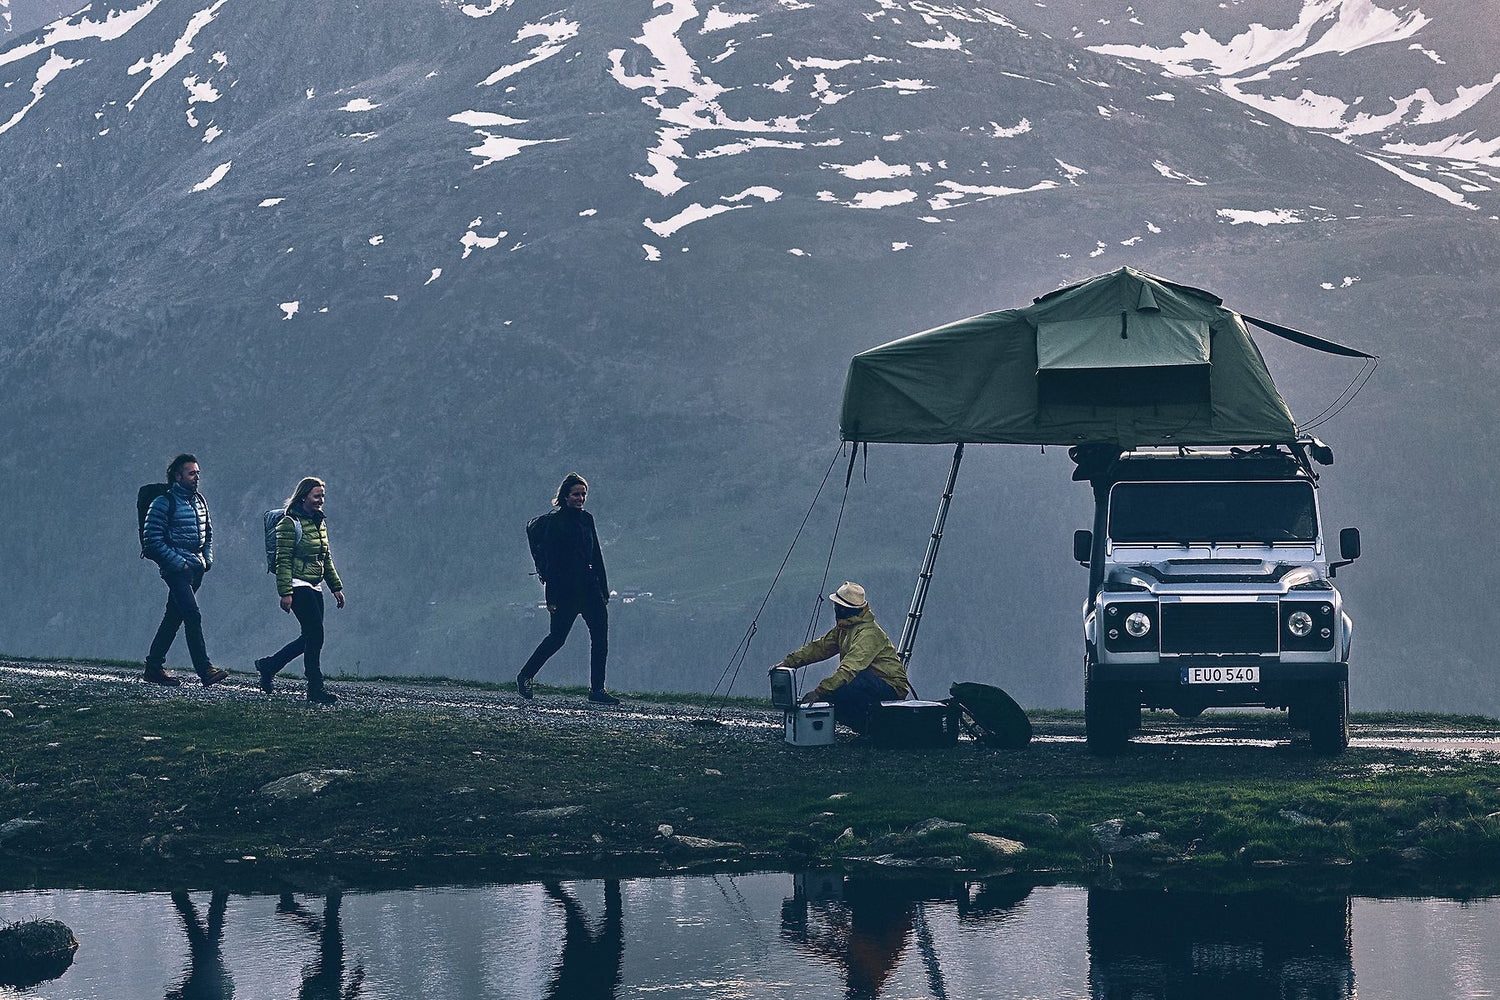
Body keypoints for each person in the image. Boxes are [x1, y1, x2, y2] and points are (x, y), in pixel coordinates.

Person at [519, 472, 619, 704]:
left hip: (590, 588)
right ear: (565, 496)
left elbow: (596, 555)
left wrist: (603, 589)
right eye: (576, 494)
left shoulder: (587, 520)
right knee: (557, 638)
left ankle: (597, 690)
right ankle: (525, 675)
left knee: (600, 638)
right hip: (565, 592)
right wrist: (551, 597)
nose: (581, 498)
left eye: (583, 494)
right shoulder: (556, 523)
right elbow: (552, 562)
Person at [771, 582, 909, 733]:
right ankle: (869, 730)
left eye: (838, 606)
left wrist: (819, 692)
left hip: (890, 687)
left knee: (842, 689)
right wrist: (788, 662)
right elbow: (820, 647)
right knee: (834, 695)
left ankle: (874, 731)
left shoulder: (868, 634)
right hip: (871, 683)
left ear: (846, 609)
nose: (836, 609)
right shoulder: (845, 628)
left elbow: (849, 669)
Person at [255, 477, 346, 704]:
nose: (320, 500)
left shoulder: (319, 522)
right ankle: (315, 688)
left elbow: (325, 557)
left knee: (311, 636)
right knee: (316, 634)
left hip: (315, 585)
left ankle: (269, 665)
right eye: (317, 496)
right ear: (303, 496)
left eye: (322, 496)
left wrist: (336, 587)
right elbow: (283, 560)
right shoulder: (289, 523)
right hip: (297, 585)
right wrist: (285, 592)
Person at [141, 454, 227, 687]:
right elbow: (152, 540)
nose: (196, 477)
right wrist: (180, 563)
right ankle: (205, 670)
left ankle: (153, 667)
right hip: (177, 570)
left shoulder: (199, 500)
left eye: (197, 473)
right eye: (191, 473)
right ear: (177, 476)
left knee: (173, 617)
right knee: (192, 614)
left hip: (195, 569)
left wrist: (205, 561)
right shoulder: (163, 502)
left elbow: (208, 534)